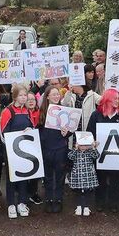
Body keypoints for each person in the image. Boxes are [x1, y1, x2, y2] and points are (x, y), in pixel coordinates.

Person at [0, 85, 38, 218]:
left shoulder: (27, 111)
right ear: (15, 96)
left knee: (23, 176)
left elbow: (32, 126)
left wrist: (29, 130)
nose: (23, 98)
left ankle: (22, 202)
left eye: (25, 95)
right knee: (11, 178)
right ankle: (11, 204)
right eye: (21, 95)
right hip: (11, 150)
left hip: (24, 150)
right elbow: (3, 132)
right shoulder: (8, 111)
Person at [87, 89, 119, 213]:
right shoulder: (96, 115)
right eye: (115, 98)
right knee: (100, 178)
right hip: (100, 153)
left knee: (115, 179)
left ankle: (114, 203)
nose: (117, 100)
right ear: (108, 99)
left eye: (118, 98)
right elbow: (89, 132)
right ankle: (100, 202)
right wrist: (92, 142)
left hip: (116, 153)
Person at [38, 86, 70, 214]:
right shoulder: (42, 112)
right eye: (54, 94)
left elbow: (71, 130)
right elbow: (37, 129)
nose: (57, 96)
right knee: (48, 176)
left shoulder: (65, 111)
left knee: (60, 176)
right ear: (47, 97)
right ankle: (49, 199)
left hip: (60, 148)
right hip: (47, 148)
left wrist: (66, 133)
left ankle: (58, 199)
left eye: (58, 94)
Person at [69, 131, 99, 216]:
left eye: (85, 145)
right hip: (77, 175)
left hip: (88, 175)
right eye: (81, 145)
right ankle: (79, 206)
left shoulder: (90, 151)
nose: (83, 147)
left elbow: (96, 156)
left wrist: (93, 147)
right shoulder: (76, 152)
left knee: (87, 192)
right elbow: (70, 156)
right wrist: (75, 148)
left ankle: (86, 207)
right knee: (78, 192)